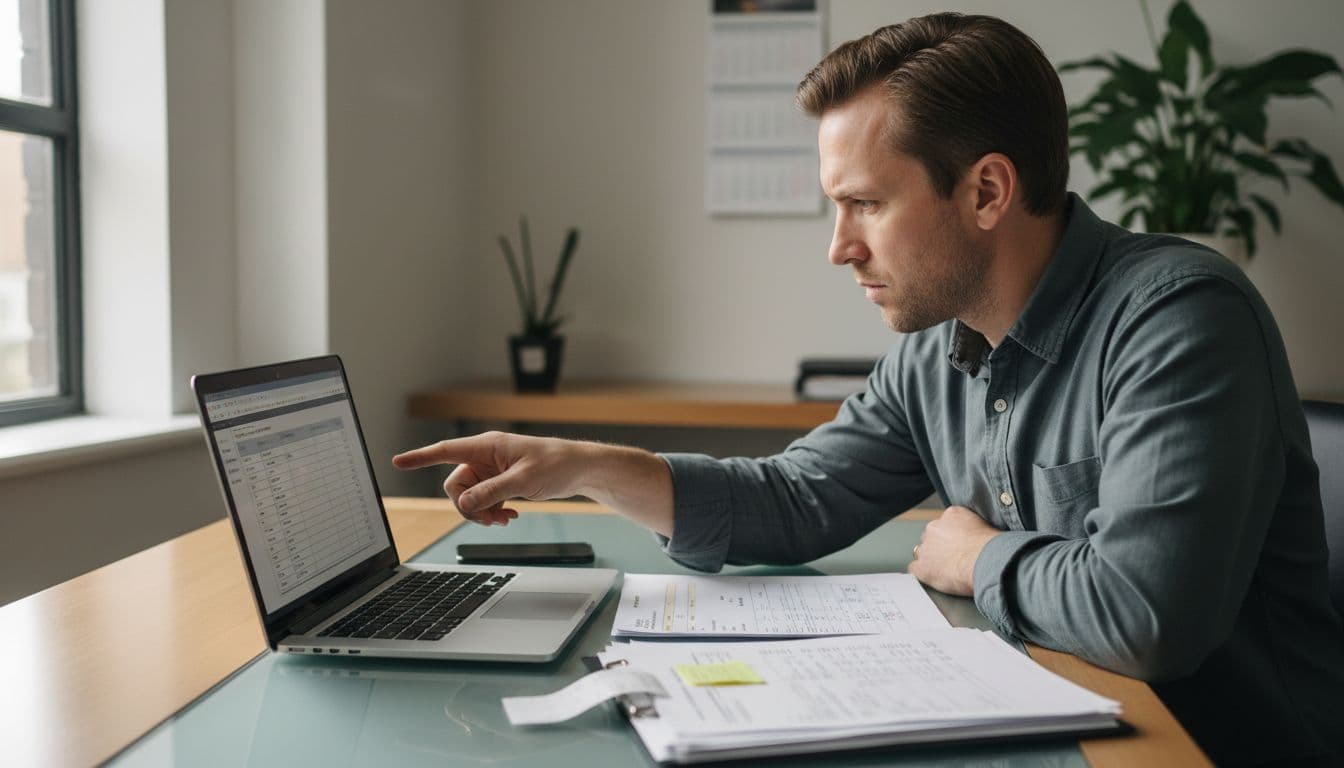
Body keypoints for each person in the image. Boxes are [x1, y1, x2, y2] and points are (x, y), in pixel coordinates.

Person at [394, 13, 1344, 767]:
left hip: (1210, 748)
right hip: (1058, 723)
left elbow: (1147, 619)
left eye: (866, 204)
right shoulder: (938, 351)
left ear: (985, 192)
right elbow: (798, 499)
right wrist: (591, 465)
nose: (839, 246)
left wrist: (977, 557)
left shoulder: (1178, 319)